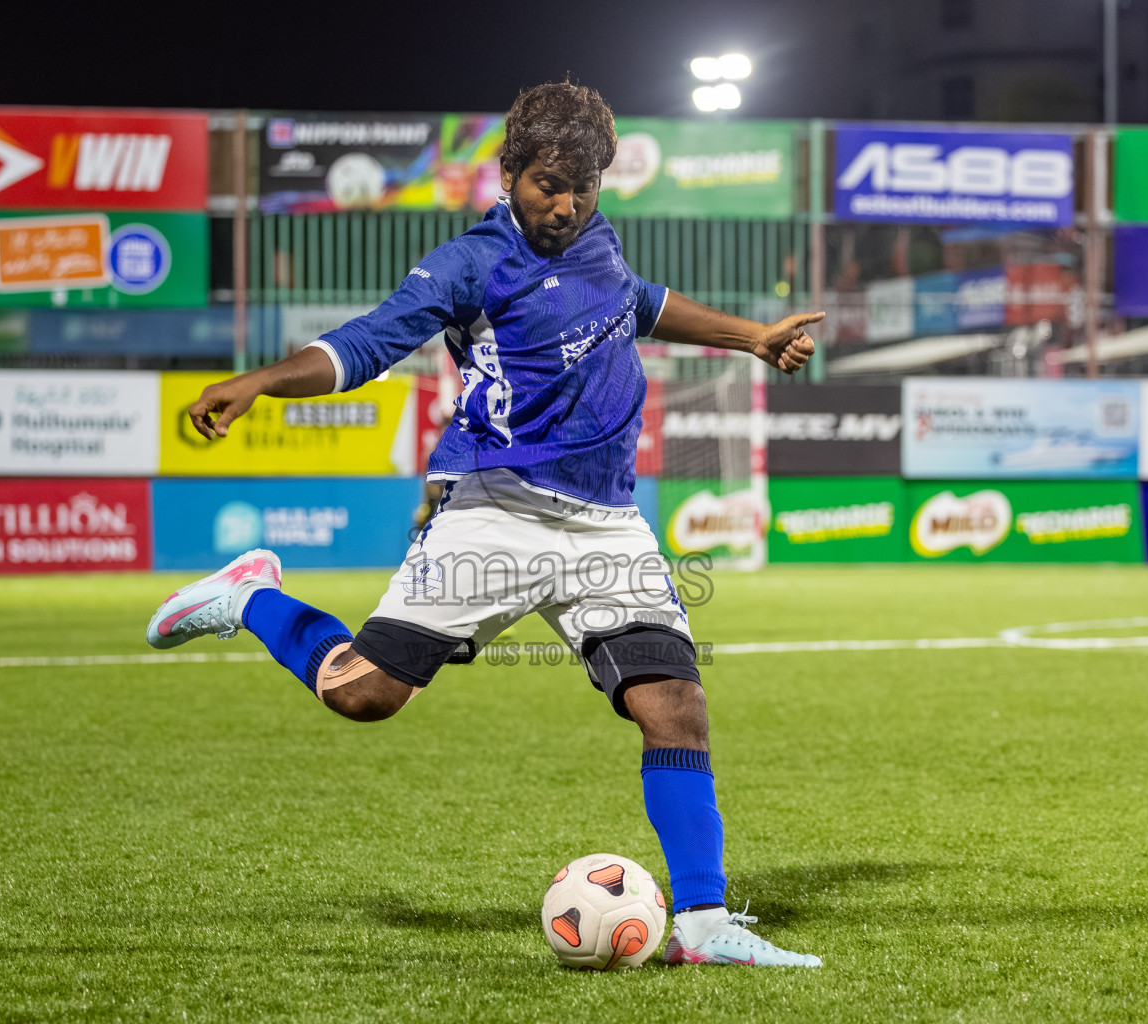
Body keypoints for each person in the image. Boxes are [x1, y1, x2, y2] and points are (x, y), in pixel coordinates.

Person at [146, 82, 825, 968]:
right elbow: (364, 343)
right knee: (363, 694)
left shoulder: (594, 236)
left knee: (676, 708)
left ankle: (700, 923)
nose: (568, 204)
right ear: (508, 172)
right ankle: (252, 599)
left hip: (607, 528)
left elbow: (638, 302)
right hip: (495, 512)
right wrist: (262, 381)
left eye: (585, 186)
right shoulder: (469, 264)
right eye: (550, 184)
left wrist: (751, 337)